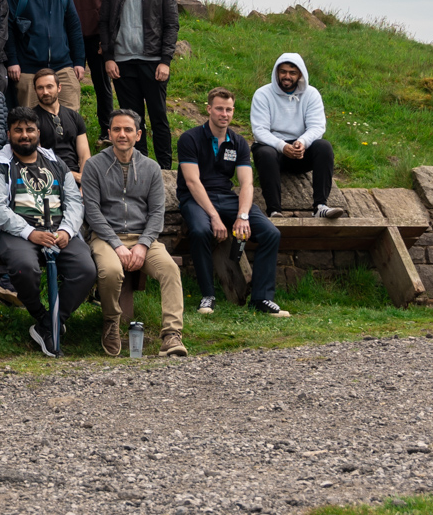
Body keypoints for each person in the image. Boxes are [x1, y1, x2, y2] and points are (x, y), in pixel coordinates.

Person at [0, 109, 97, 353]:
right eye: (18, 130)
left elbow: (76, 202)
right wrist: (30, 233)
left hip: (58, 231)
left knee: (86, 270)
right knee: (25, 267)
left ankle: (50, 325)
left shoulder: (56, 162)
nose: (24, 136)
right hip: (17, 233)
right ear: (9, 134)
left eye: (29, 130)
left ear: (38, 133)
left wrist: (67, 230)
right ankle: (42, 316)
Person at [80, 108, 186, 357]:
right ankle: (111, 323)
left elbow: (157, 212)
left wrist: (143, 244)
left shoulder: (150, 168)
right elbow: (92, 212)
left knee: (170, 269)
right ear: (109, 133)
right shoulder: (94, 166)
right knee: (110, 271)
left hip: (143, 239)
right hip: (106, 238)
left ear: (138, 135)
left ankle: (171, 335)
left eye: (128, 130)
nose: (122, 134)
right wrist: (117, 245)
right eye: (116, 129)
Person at [178, 86, 288, 317]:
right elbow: (192, 182)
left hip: (226, 197)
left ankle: (262, 298)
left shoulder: (238, 142)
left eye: (229, 109)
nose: (224, 114)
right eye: (219, 109)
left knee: (271, 233)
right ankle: (207, 296)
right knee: (200, 231)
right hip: (196, 198)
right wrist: (215, 218)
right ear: (209, 109)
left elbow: (247, 184)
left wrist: (242, 216)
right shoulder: (190, 138)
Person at [97, 0, 179, 167]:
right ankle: (139, 165)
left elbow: (171, 24)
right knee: (133, 120)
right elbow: (104, 22)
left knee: (158, 116)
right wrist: (109, 58)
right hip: (123, 63)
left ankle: (164, 168)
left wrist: (165, 61)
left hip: (153, 62)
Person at [249, 52, 345, 220]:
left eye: (292, 73)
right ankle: (274, 211)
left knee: (324, 146)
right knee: (265, 153)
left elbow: (317, 126)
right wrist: (282, 146)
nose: (287, 76)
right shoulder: (262, 94)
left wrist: (302, 142)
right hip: (272, 150)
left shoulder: (311, 94)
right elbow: (259, 130)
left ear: (300, 74)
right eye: (283, 71)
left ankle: (320, 206)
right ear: (277, 72)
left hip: (299, 150)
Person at [8, 0, 86, 109]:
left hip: (63, 67)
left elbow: (74, 29)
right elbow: (8, 31)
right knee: (29, 122)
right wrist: (12, 61)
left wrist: (79, 61)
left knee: (70, 117)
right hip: (28, 68)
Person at [57, 0, 112, 140]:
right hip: (68, 39)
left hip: (97, 39)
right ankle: (64, 131)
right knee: (65, 86)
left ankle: (107, 131)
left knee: (103, 87)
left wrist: (106, 41)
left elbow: (112, 8)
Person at [31, 67, 90, 181]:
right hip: (47, 178)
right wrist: (74, 176)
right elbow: (37, 160)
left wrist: (84, 183)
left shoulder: (74, 116)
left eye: (49, 86)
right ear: (35, 90)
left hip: (78, 178)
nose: (45, 92)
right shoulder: (31, 119)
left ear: (59, 87)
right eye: (40, 88)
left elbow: (84, 157)